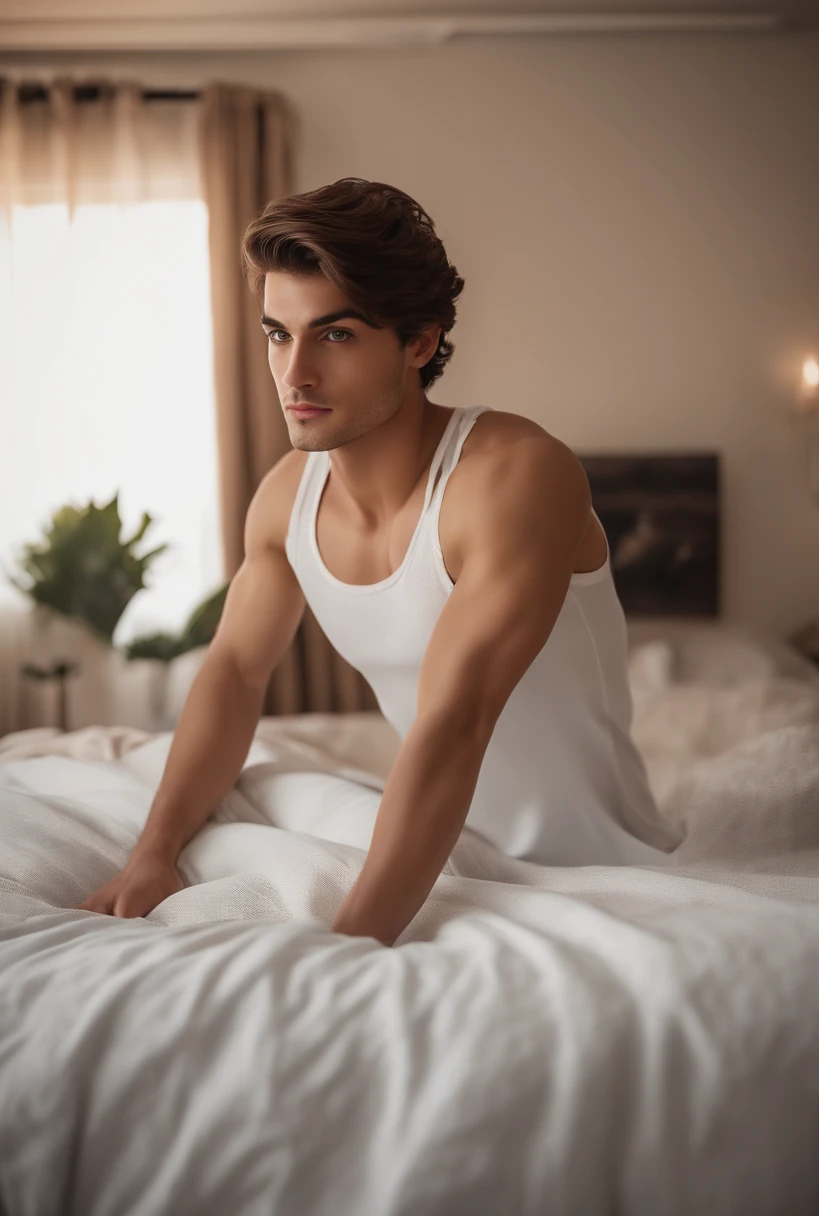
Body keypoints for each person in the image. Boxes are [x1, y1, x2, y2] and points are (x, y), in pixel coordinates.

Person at [75, 178, 681, 945]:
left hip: (589, 861)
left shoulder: (514, 476)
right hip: (425, 835)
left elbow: (457, 721)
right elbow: (234, 672)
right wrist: (151, 855)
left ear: (419, 343)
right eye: (276, 334)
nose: (294, 374)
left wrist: (349, 946)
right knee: (230, 791)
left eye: (334, 335)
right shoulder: (285, 497)